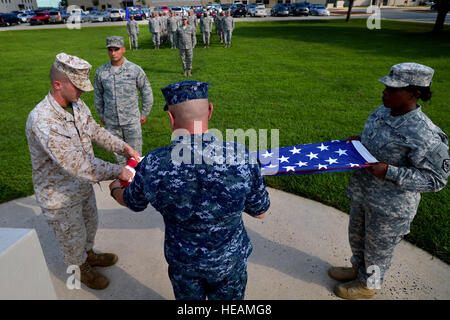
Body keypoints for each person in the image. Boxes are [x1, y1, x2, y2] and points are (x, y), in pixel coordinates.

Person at [108, 80, 270, 300]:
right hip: (229, 262)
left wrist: (115, 188)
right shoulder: (241, 155)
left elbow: (132, 202)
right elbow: (259, 211)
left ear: (171, 118)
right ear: (210, 110)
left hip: (184, 264)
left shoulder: (155, 163)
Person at [329, 63, 449, 299]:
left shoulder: (424, 133)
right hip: (364, 193)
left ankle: (368, 285)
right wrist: (360, 142)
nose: (385, 92)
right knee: (358, 238)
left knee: (378, 249)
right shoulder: (381, 113)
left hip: (390, 208)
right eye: (386, 87)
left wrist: (391, 172)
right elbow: (378, 142)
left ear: (414, 94)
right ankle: (357, 269)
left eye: (393, 89)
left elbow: (436, 179)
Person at [26, 53, 140, 290]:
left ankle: (88, 255)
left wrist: (123, 147)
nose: (82, 92)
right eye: (77, 87)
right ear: (58, 84)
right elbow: (77, 164)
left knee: (89, 225)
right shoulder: (42, 120)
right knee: (71, 237)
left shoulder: (76, 104)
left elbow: (95, 131)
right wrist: (119, 171)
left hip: (81, 187)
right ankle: (78, 268)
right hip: (60, 196)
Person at [94, 36, 154, 166]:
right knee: (119, 157)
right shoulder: (101, 72)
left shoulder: (135, 70)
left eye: (117, 49)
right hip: (112, 121)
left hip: (131, 120)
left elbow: (146, 92)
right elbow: (98, 95)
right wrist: (101, 114)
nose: (113, 53)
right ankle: (124, 184)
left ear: (123, 50)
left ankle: (136, 183)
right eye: (110, 50)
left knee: (135, 157)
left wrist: (144, 113)